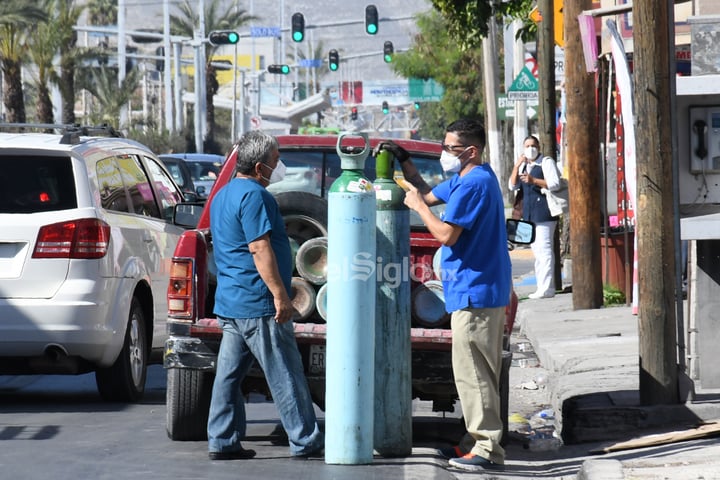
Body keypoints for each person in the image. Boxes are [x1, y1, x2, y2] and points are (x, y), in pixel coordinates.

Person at [377, 118, 510, 472]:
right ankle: (475, 441)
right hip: (477, 290)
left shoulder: (475, 185)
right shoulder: (470, 179)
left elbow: (446, 235)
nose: (444, 155)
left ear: (471, 151)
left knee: (474, 374)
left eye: (450, 149)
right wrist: (405, 161)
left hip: (475, 292)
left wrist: (418, 209)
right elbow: (426, 191)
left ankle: (486, 449)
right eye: (444, 146)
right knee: (478, 372)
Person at [207, 130, 324, 461]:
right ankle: (305, 439)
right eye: (275, 161)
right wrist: (279, 295)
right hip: (258, 303)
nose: (279, 166)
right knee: (285, 370)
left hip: (232, 303)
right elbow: (259, 248)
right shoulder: (256, 197)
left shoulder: (223, 196)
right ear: (260, 167)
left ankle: (222, 438)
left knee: (228, 377)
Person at [509, 135, 561, 299]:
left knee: (545, 250)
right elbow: (512, 185)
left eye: (533, 145)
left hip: (544, 211)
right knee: (537, 251)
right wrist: (517, 166)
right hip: (529, 214)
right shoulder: (524, 165)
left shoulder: (545, 162)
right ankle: (543, 286)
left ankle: (546, 288)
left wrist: (534, 180)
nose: (530, 148)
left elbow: (555, 183)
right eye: (527, 145)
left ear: (538, 147)